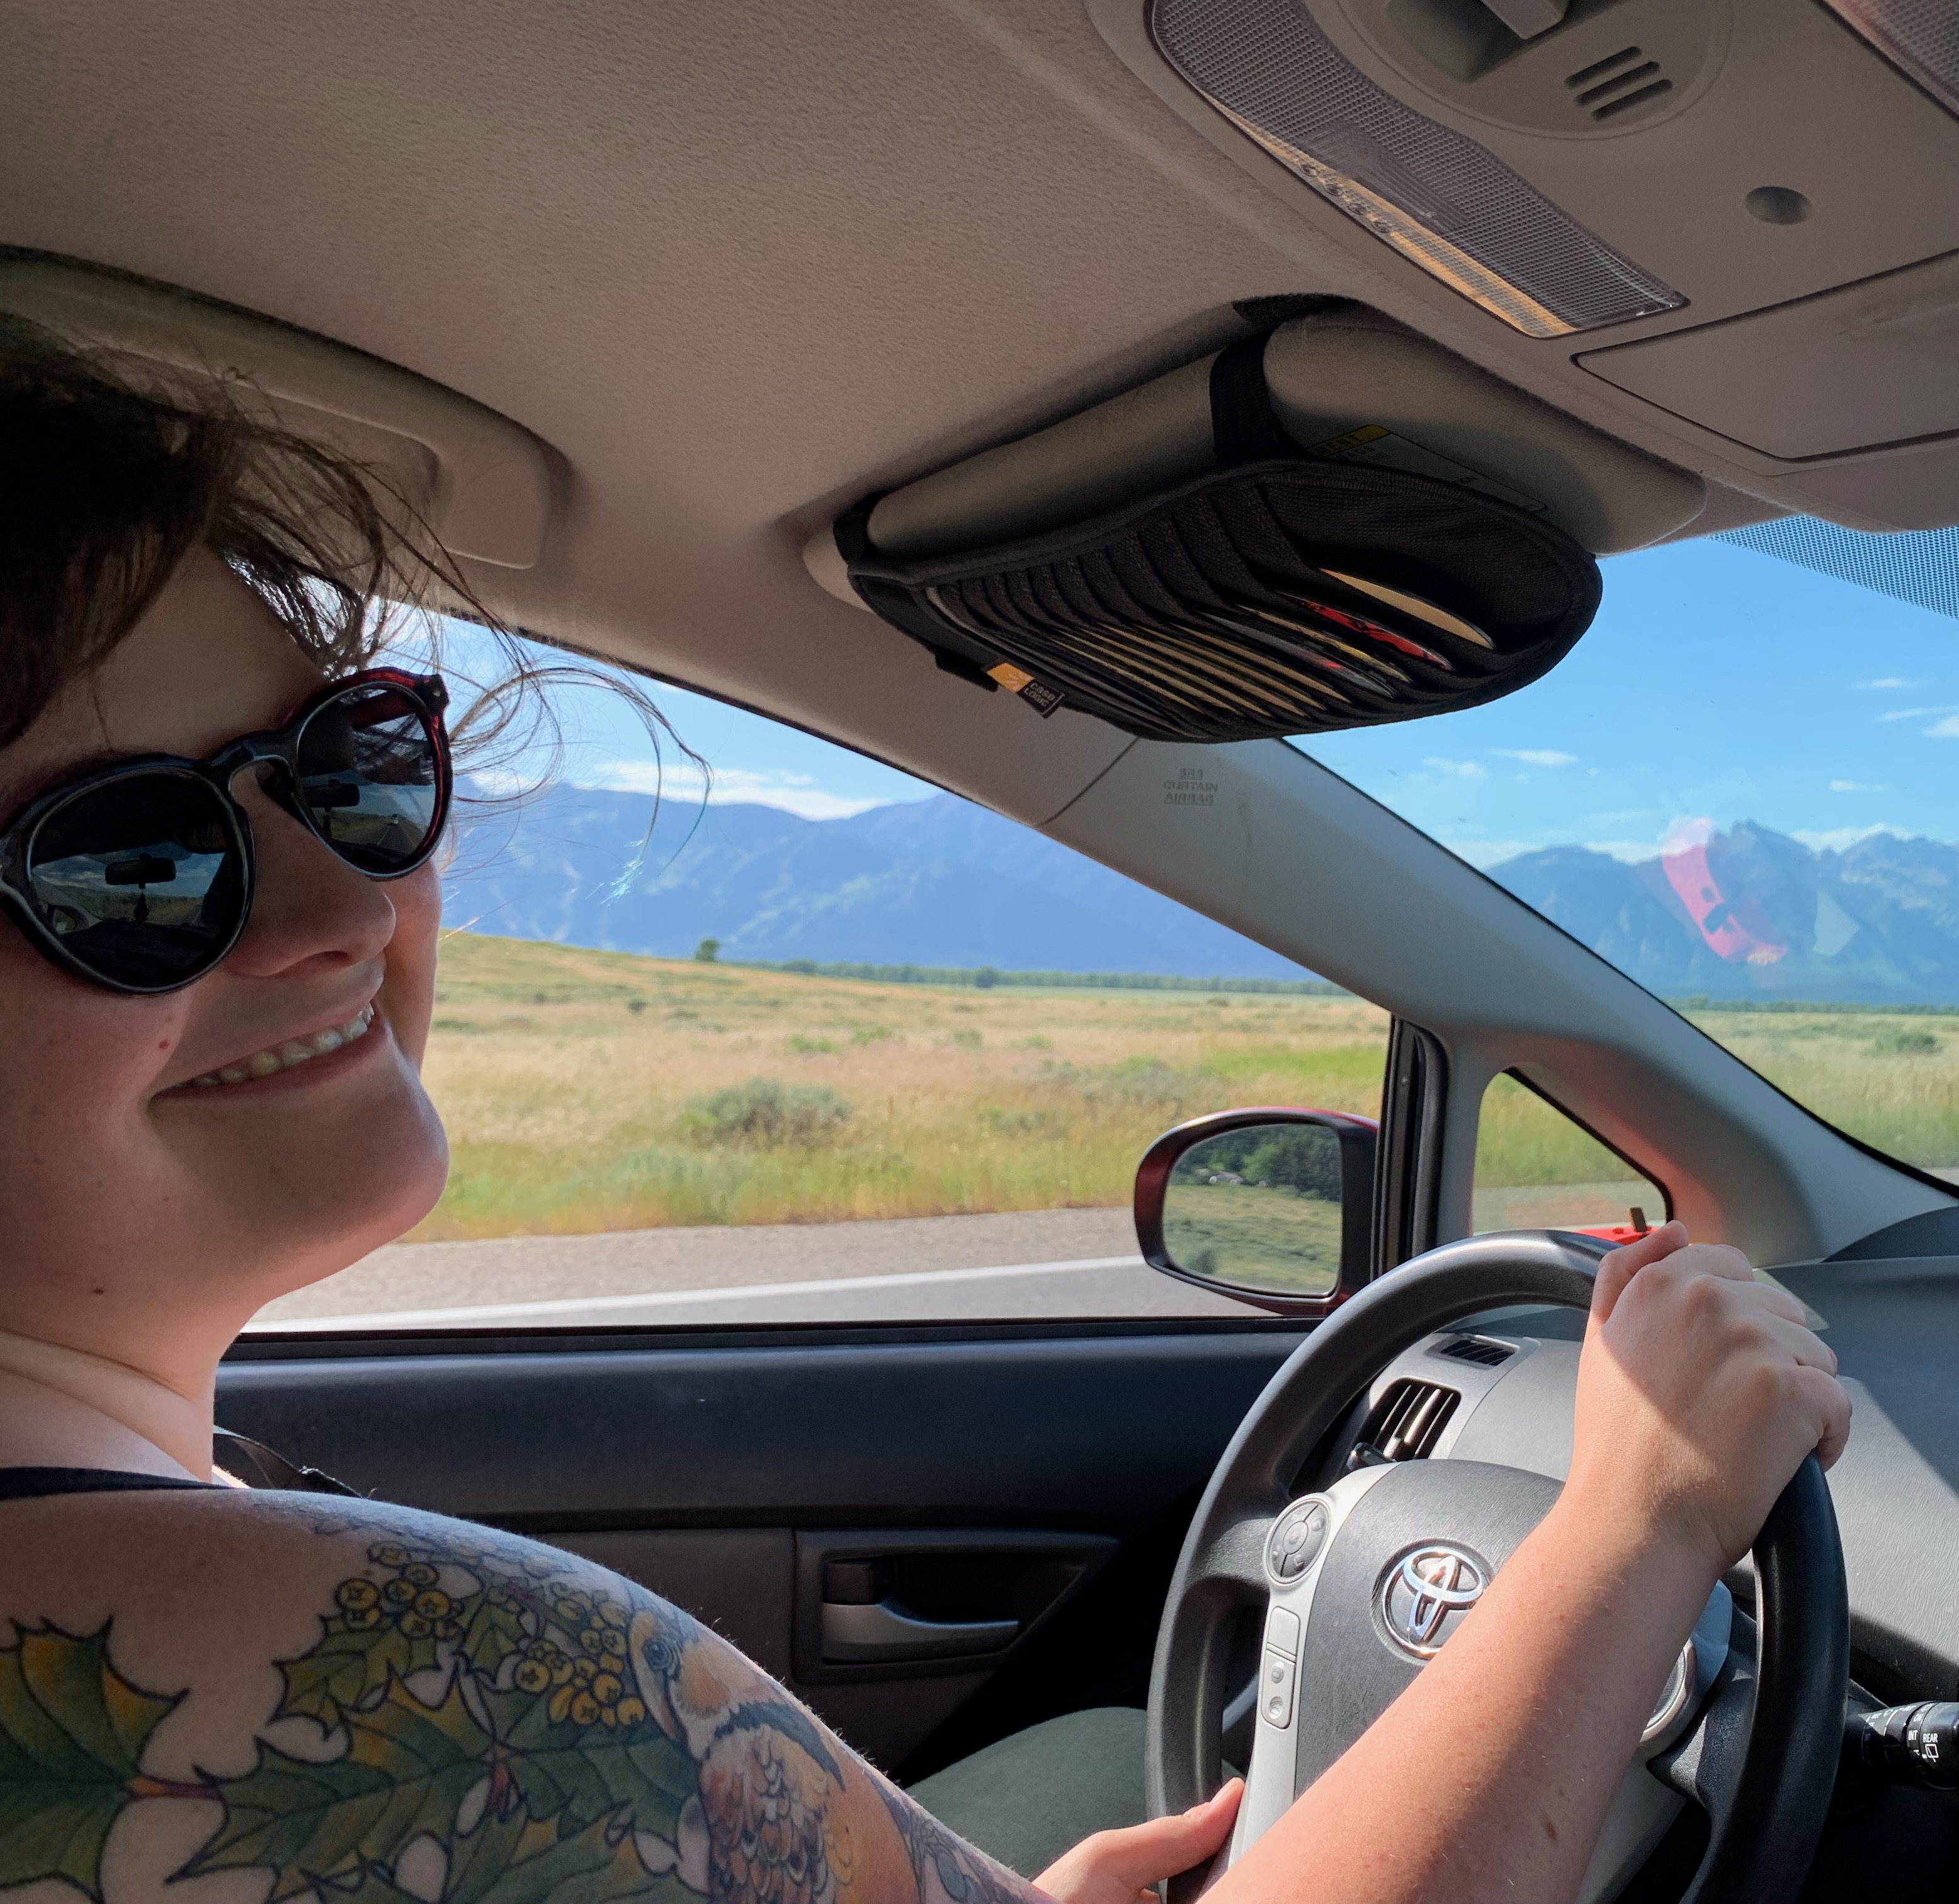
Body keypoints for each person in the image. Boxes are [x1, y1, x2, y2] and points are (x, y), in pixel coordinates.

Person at [0, 319, 1851, 1904]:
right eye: (129, 861)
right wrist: (1644, 1513)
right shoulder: (389, 1667)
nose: (339, 911)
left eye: (350, 767)